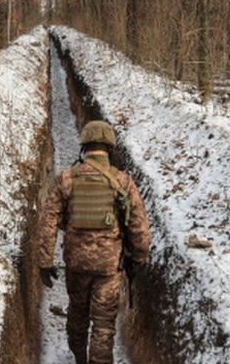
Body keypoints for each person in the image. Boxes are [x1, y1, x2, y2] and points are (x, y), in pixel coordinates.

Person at [38, 120, 151, 364]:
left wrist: (44, 261)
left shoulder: (66, 179)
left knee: (77, 314)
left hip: (76, 265)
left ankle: (79, 357)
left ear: (84, 146)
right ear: (109, 148)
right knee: (103, 325)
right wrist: (137, 260)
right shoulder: (123, 182)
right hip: (109, 268)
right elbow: (139, 228)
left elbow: (48, 222)